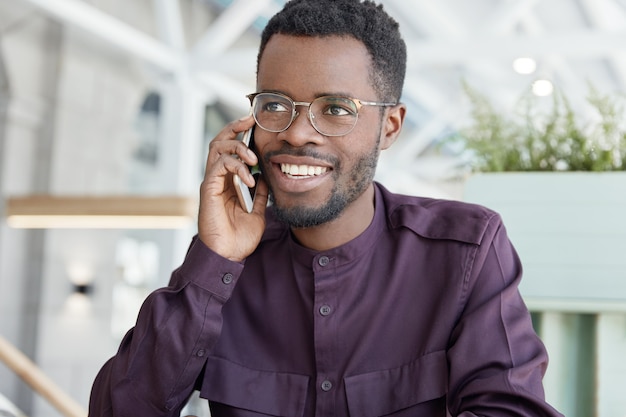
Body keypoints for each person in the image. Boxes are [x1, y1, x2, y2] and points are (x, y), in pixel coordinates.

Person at [89, 1, 564, 416]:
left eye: (336, 109)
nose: (296, 133)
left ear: (390, 128)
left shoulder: (466, 251)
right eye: (275, 105)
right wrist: (215, 260)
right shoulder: (222, 267)